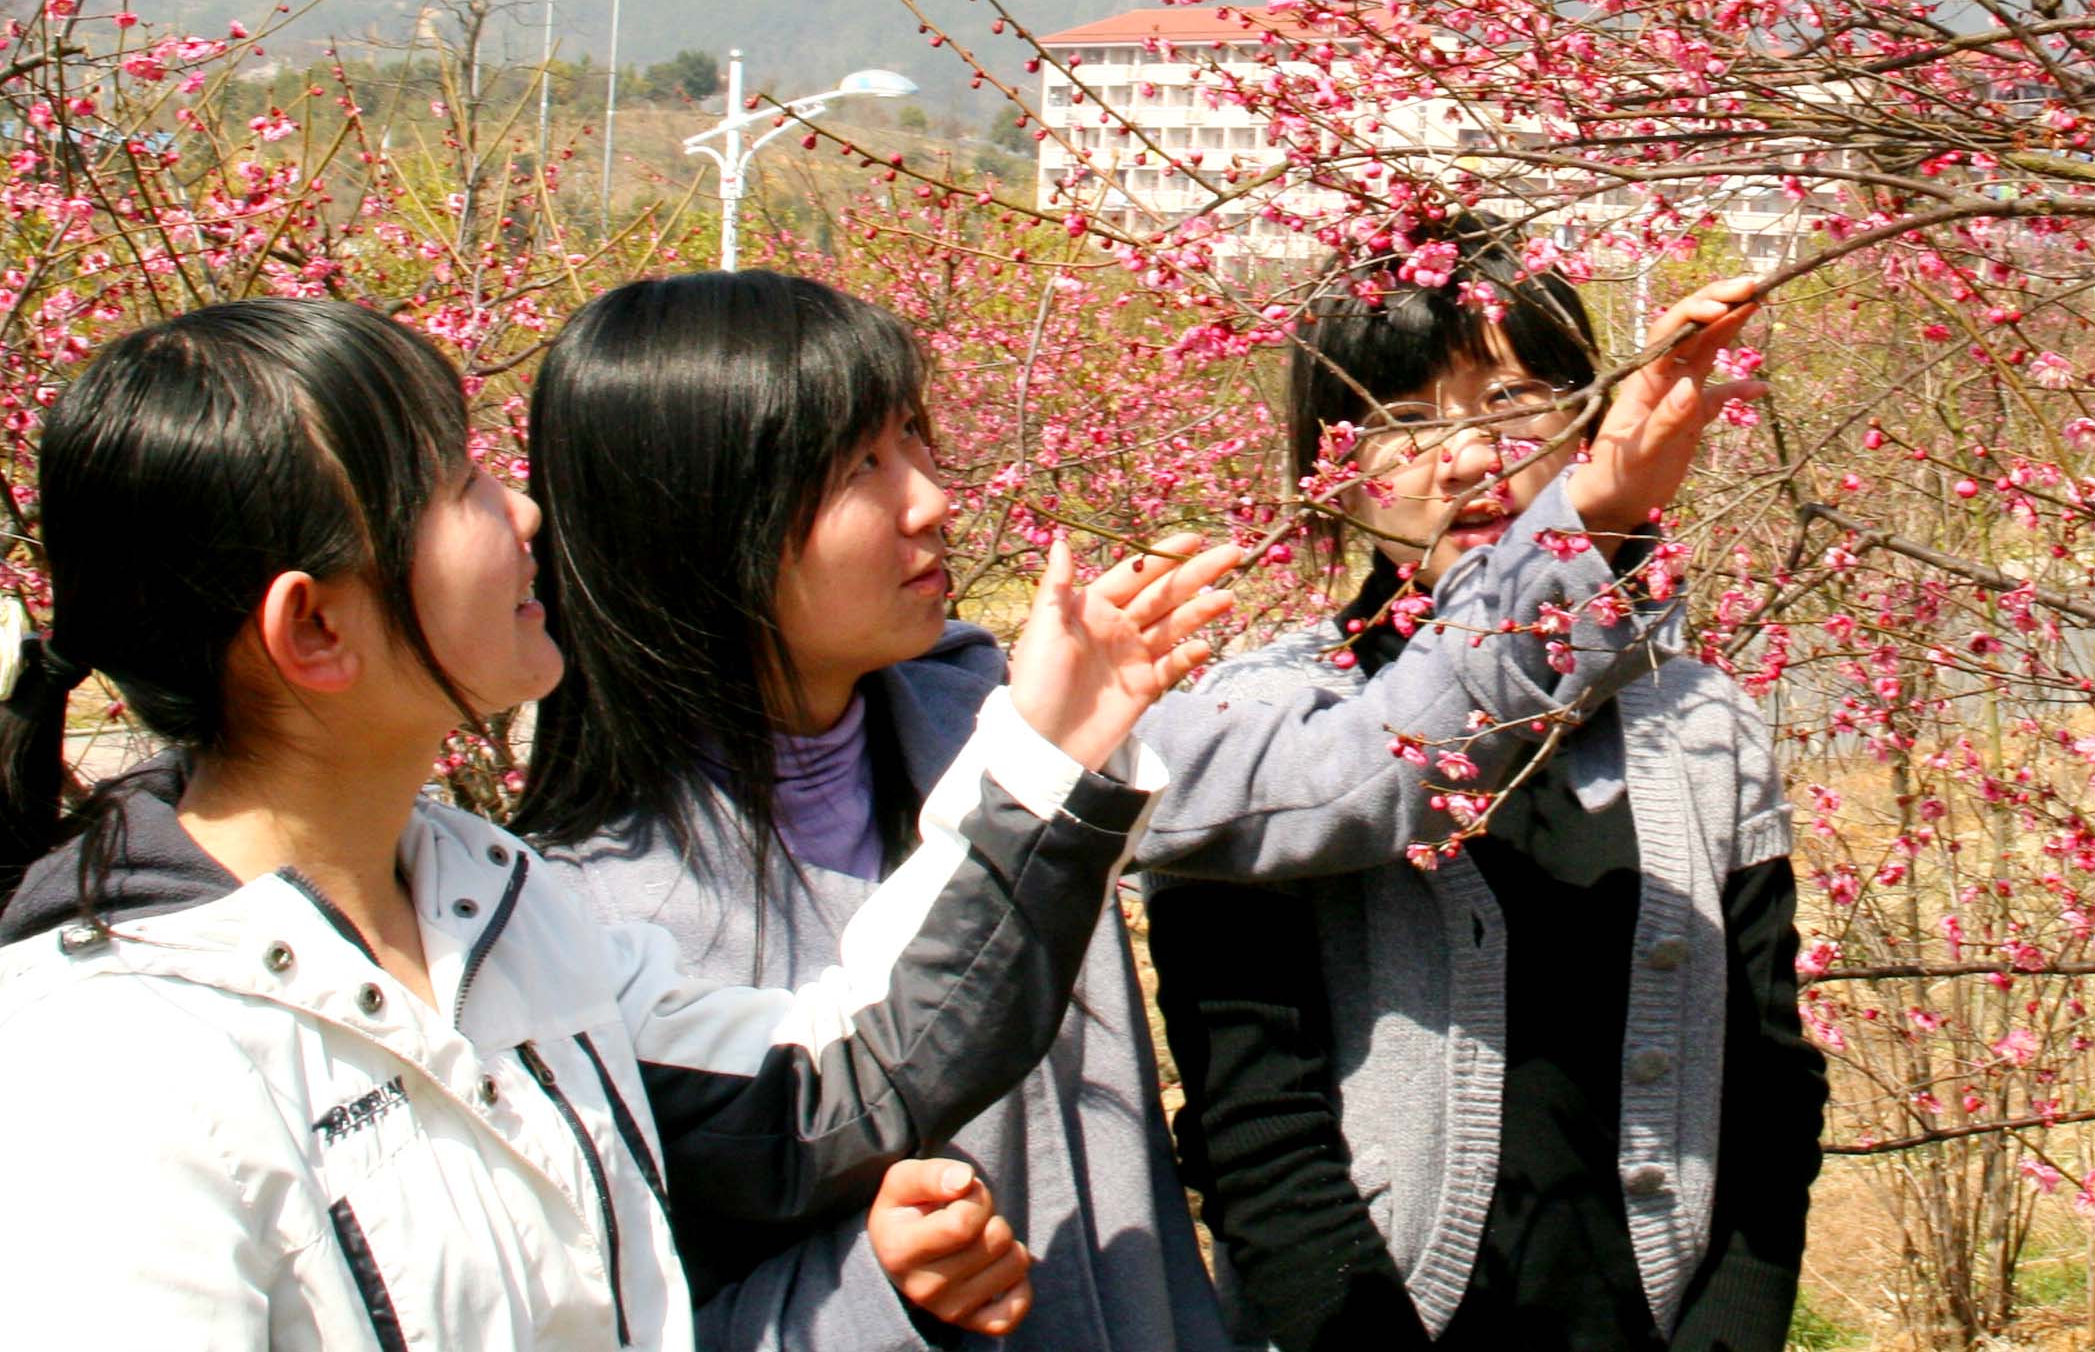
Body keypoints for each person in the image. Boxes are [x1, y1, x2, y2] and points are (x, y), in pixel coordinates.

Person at [0, 297, 1234, 1349]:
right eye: (460, 485)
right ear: (315, 628)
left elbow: (835, 1082)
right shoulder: (110, 1069)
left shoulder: (507, 919)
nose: (527, 516)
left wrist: (1043, 756)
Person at [514, 271, 1247, 1350]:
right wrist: (877, 1289)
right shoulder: (591, 930)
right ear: (696, 519)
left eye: (914, 437)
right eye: (860, 464)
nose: (931, 500)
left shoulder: (989, 718)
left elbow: (1311, 779)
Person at [1140, 227, 1828, 1352]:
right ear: (1331, 468)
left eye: (1511, 402)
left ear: (1589, 421)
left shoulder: (1700, 725)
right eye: (1403, 420)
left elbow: (1767, 1087)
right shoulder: (1259, 730)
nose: (1466, 458)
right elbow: (1253, 1129)